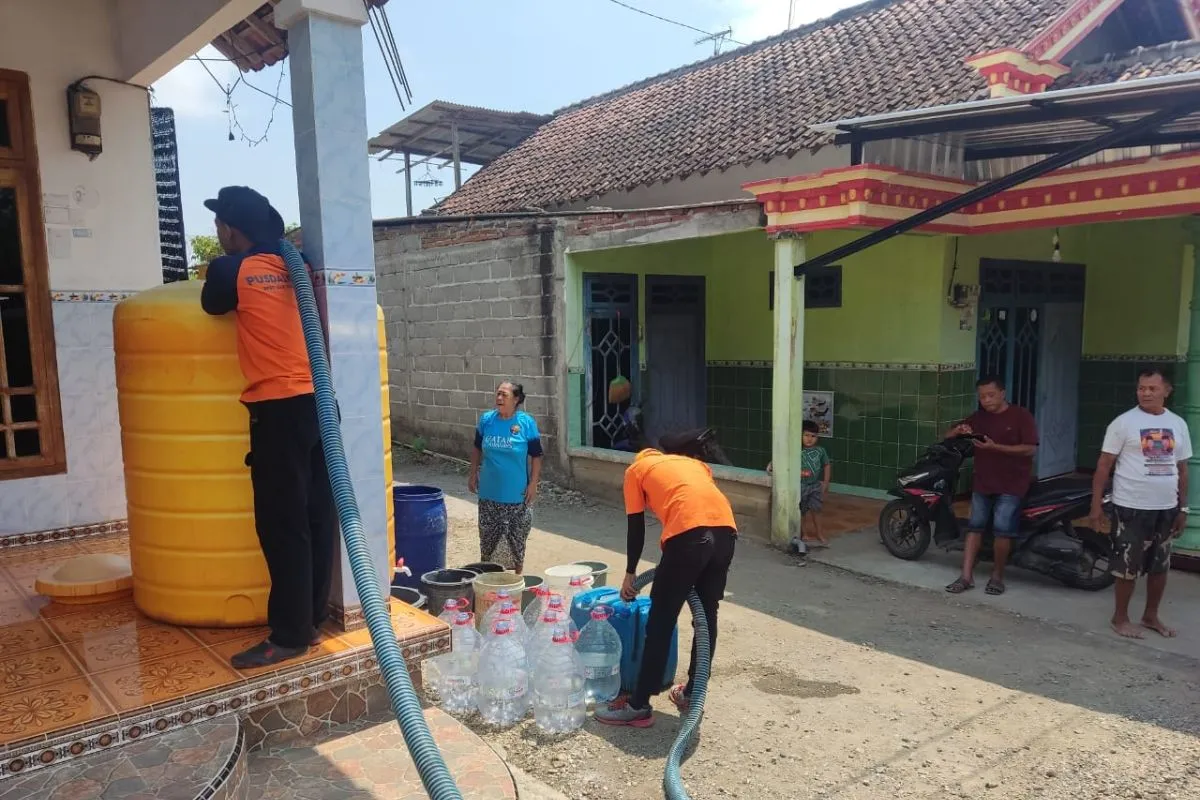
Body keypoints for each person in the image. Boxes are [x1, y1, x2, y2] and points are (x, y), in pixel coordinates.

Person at [200, 186, 336, 669]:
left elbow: (212, 304)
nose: (217, 233)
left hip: (277, 409)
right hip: (322, 404)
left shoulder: (229, 270)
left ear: (231, 229)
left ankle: (290, 633)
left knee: (282, 524)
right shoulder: (294, 267)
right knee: (318, 518)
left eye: (219, 225)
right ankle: (312, 619)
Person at [594, 434, 738, 728]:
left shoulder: (636, 470)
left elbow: (636, 527)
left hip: (688, 536)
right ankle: (693, 693)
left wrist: (630, 573)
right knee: (707, 615)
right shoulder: (692, 464)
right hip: (726, 533)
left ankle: (638, 705)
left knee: (661, 621)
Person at [1088, 368, 1190, 639]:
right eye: (1141, 388)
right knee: (1127, 566)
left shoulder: (1178, 424)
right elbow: (1103, 465)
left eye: (1152, 389)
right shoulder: (1123, 423)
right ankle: (1119, 618)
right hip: (1131, 506)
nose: (1145, 393)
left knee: (1160, 565)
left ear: (1166, 391)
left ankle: (1150, 616)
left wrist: (1183, 507)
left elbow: (1182, 468)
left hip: (1166, 508)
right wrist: (1095, 506)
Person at [944, 376, 1038, 597]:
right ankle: (965, 576)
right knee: (974, 527)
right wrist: (958, 431)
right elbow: (947, 436)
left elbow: (1030, 449)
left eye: (990, 395)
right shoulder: (979, 417)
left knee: (1002, 530)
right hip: (983, 481)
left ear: (1002, 393)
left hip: (1012, 483)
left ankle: (997, 576)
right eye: (982, 397)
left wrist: (997, 448)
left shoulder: (1021, 416)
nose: (986, 400)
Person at [468, 381, 543, 574]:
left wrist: (533, 483)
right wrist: (473, 472)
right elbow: (477, 447)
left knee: (516, 542)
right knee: (488, 543)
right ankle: (490, 581)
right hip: (488, 494)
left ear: (516, 399)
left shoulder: (526, 423)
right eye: (498, 394)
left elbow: (536, 455)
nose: (499, 398)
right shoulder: (487, 420)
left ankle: (516, 582)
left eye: (504, 395)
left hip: (516, 496)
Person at [766, 419, 832, 547]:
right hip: (800, 486)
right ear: (800, 436)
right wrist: (772, 463)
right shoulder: (796, 450)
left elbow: (827, 465)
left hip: (815, 486)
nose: (809, 439)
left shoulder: (820, 451)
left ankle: (819, 533)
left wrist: (826, 482)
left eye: (813, 436)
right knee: (802, 511)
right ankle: (804, 533)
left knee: (817, 510)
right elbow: (782, 458)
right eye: (806, 435)